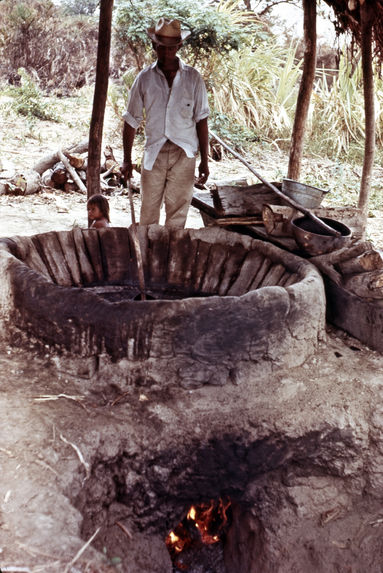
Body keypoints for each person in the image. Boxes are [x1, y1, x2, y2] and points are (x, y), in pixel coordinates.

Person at [121, 17, 210, 229]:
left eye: (171, 48)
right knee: (148, 214)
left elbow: (202, 120)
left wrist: (205, 161)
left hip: (184, 154)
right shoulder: (144, 78)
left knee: (177, 215)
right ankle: (148, 257)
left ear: (179, 46)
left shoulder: (193, 78)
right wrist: (126, 159)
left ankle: (172, 258)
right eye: (161, 47)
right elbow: (131, 120)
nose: (166, 52)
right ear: (154, 46)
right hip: (154, 154)